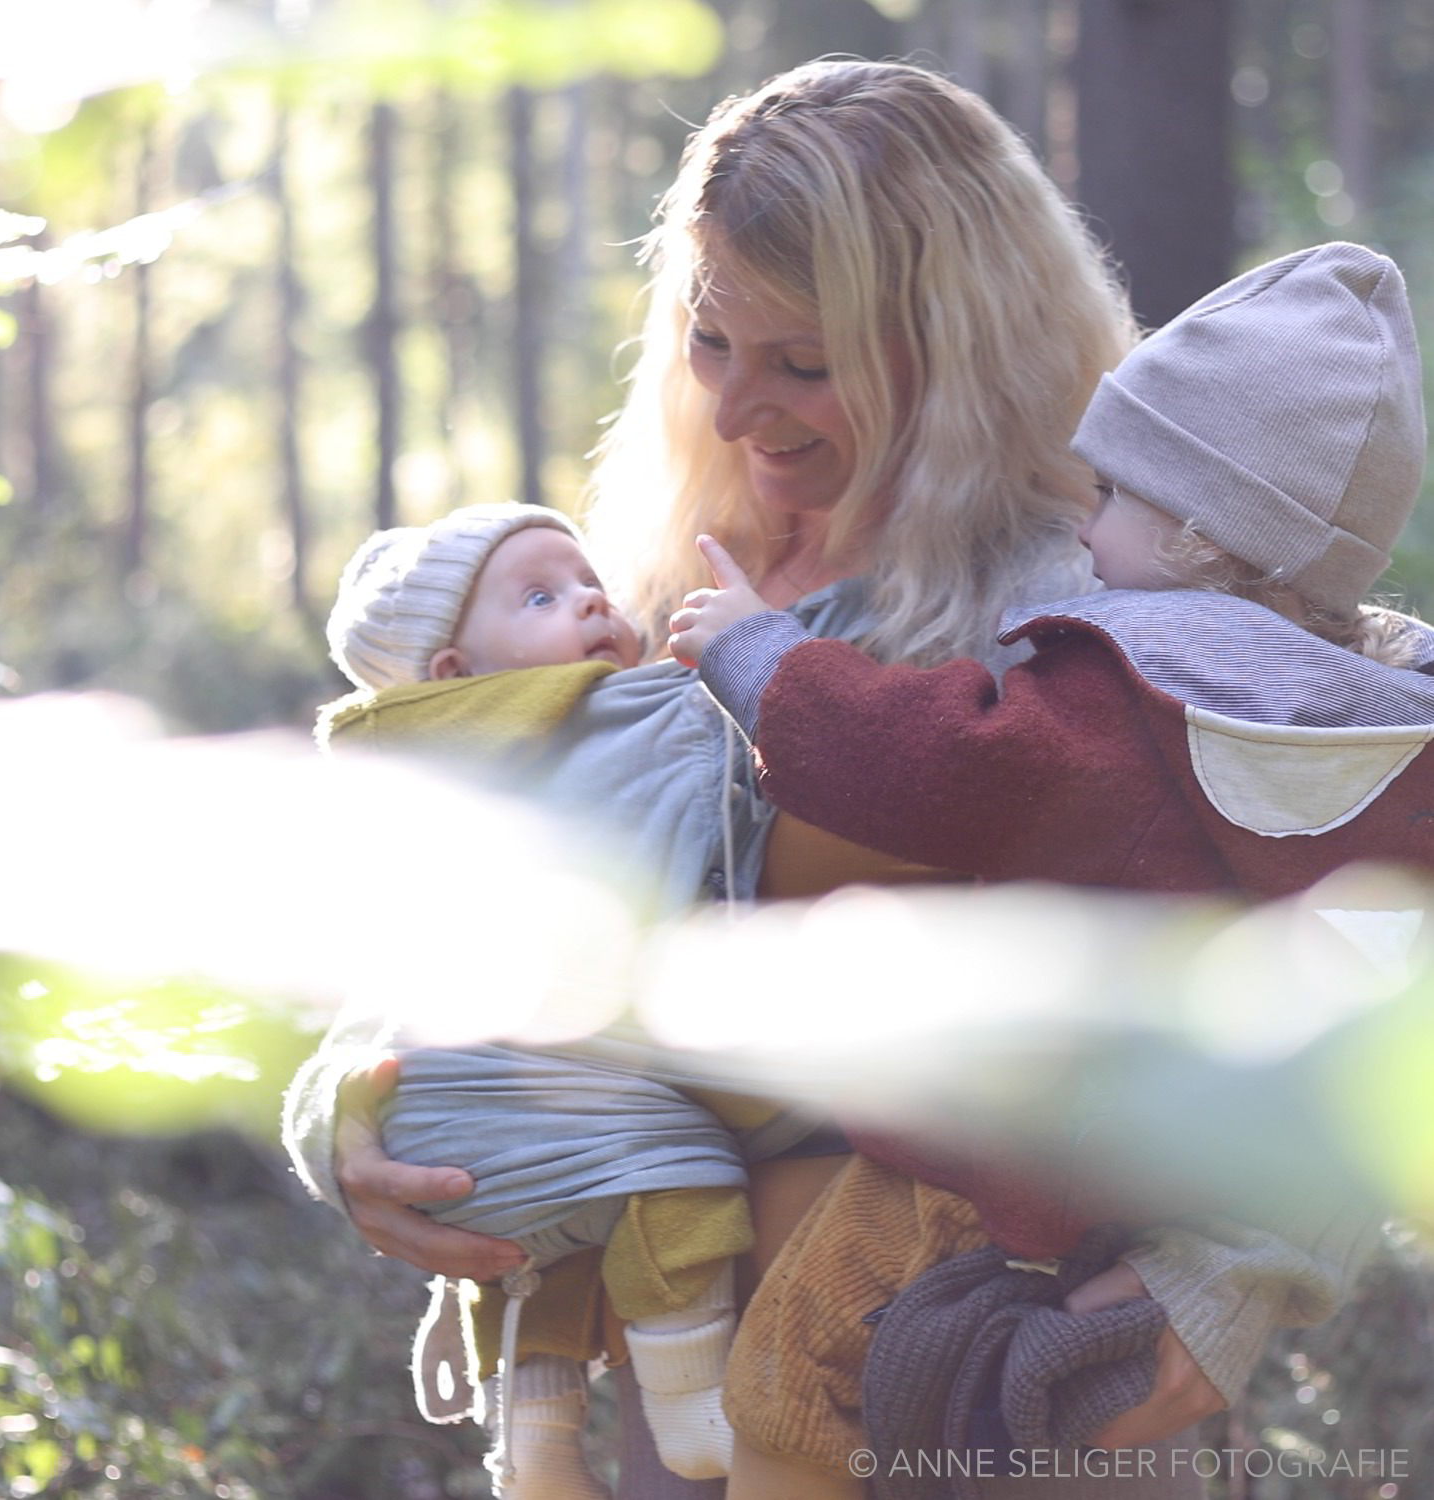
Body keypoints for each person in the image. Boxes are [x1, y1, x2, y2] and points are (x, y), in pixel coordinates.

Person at [282, 58, 1313, 1500]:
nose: (740, 411)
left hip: (982, 1383)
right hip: (675, 1380)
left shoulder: (1088, 587)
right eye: (711, 341)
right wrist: (356, 1104)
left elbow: (1339, 915)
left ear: (959, 346)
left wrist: (1233, 1276)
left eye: (808, 363)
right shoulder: (634, 581)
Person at [666, 240, 1425, 1496]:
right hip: (1151, 1167)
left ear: (1194, 539)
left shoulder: (1127, 695)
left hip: (987, 1164)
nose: (1087, 516)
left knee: (793, 1385)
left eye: (1118, 493)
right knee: (981, 1405)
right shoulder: (1364, 725)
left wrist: (757, 653)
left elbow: (933, 760)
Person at [313, 497, 821, 1494]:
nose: (590, 600)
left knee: (535, 1254)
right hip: (568, 1093)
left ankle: (535, 1448)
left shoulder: (405, 779)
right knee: (671, 1175)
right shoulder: (625, 726)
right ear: (453, 675)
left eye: (591, 581)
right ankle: (688, 1400)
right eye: (542, 594)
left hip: (436, 1120)